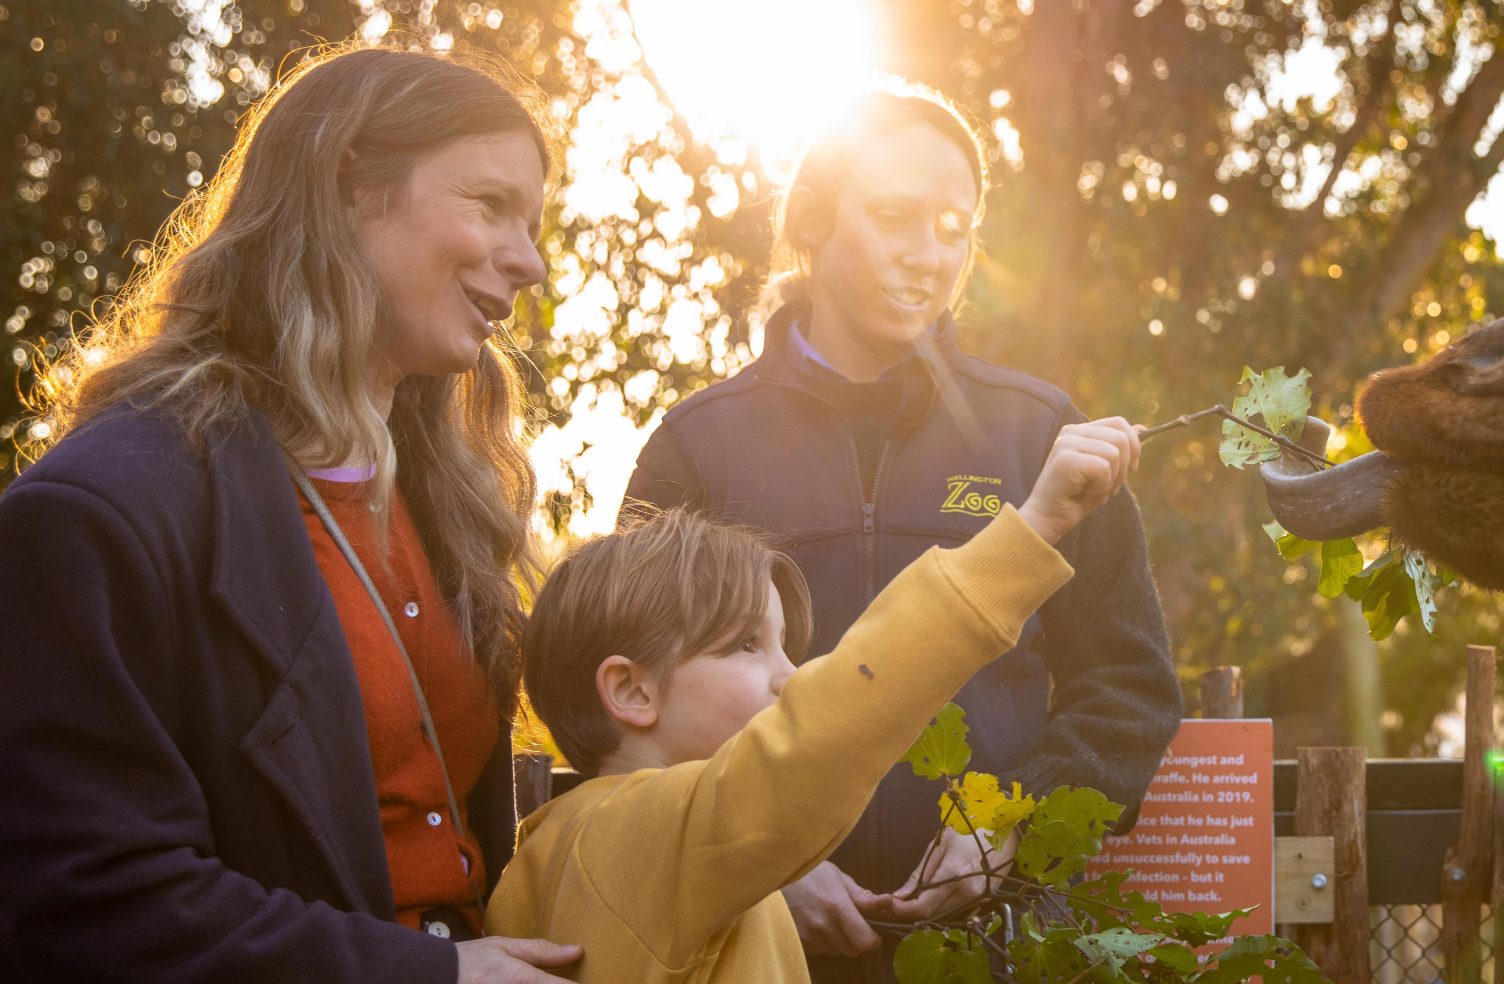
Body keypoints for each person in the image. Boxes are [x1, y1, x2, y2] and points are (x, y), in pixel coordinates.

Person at [0, 46, 583, 984]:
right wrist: (432, 976)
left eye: (535, 223)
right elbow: (93, 902)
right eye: (490, 205)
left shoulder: (444, 493)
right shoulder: (97, 511)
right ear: (352, 185)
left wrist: (701, 850)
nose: (532, 261)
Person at [619, 82, 1183, 978]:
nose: (929, 254)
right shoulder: (696, 450)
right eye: (894, 216)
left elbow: (1129, 691)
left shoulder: (1042, 437)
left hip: (997, 945)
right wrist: (761, 866)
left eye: (955, 227)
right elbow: (631, 717)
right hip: (759, 948)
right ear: (812, 221)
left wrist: (1010, 824)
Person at [491, 418, 1137, 983]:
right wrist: (1034, 527)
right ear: (632, 690)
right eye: (748, 646)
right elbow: (834, 721)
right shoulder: (657, 832)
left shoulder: (551, 855)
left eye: (785, 649)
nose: (791, 678)